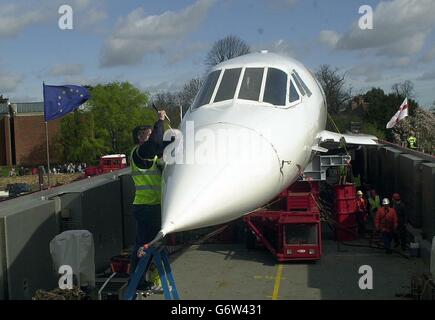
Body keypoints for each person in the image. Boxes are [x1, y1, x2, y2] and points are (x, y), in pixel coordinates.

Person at [130, 110, 168, 291]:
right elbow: (156, 143)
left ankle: (141, 279)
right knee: (145, 245)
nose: (151, 135)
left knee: (147, 244)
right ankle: (136, 281)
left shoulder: (150, 156)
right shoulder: (140, 153)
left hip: (151, 206)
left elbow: (161, 147)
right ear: (139, 138)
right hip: (146, 207)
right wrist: (160, 121)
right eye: (147, 134)